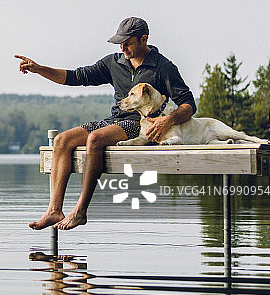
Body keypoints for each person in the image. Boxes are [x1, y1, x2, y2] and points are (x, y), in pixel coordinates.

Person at [14, 17, 196, 230]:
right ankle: (54, 210)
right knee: (62, 140)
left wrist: (168, 120)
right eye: (120, 42)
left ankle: (80, 211)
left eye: (127, 42)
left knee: (95, 139)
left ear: (143, 39)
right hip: (115, 120)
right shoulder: (114, 62)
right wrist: (39, 69)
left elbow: (189, 105)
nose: (122, 47)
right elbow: (75, 77)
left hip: (141, 124)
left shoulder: (163, 67)